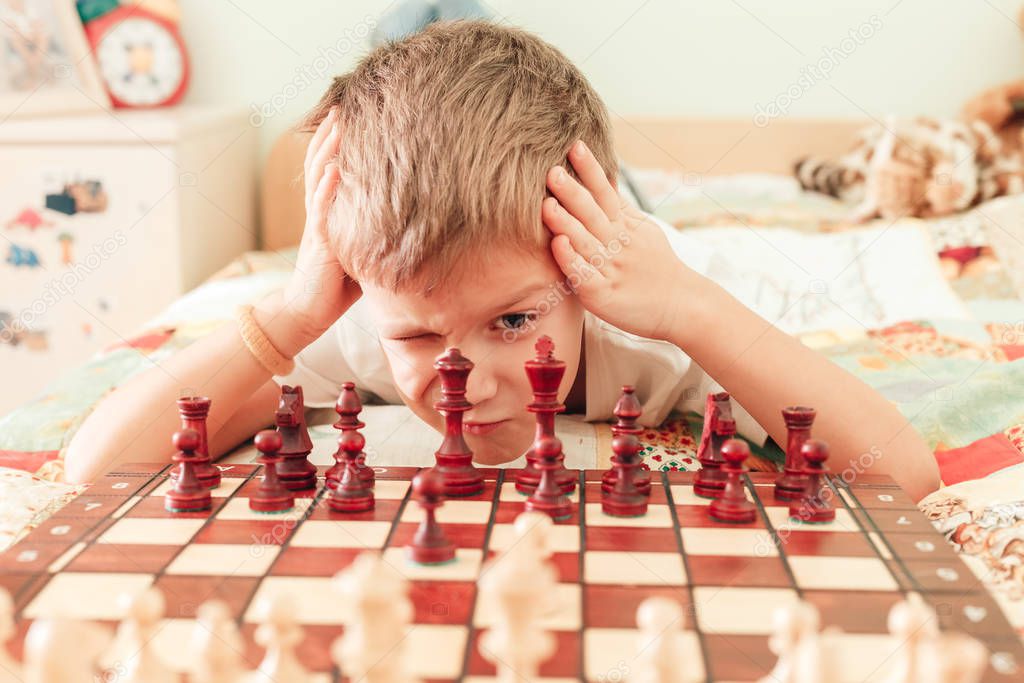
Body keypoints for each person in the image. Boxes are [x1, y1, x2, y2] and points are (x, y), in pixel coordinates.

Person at [64, 20, 940, 501]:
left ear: (574, 278)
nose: (465, 378)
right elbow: (93, 469)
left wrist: (689, 304)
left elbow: (904, 475)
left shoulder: (646, 342)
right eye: (416, 332)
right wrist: (292, 314)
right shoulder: (362, 321)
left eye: (514, 321)